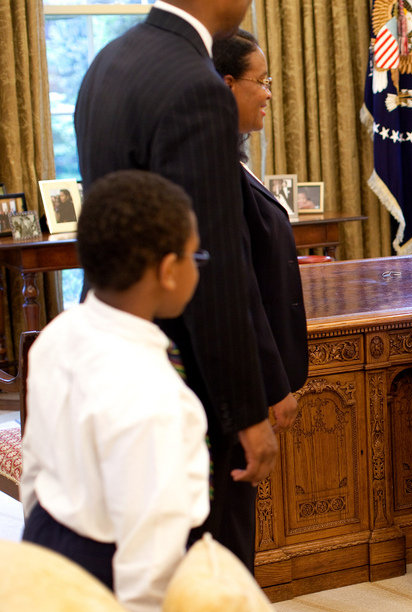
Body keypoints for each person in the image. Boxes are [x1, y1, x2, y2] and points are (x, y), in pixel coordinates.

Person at [74, 0, 294, 569]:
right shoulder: (195, 85)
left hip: (115, 351)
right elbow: (213, 263)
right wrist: (247, 410)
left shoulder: (109, 61)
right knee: (209, 562)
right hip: (186, 375)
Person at [20, 169, 210, 612]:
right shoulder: (152, 392)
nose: (195, 266)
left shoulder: (57, 335)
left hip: (46, 539)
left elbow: (35, 466)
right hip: (108, 572)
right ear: (167, 271)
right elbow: (151, 547)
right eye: (193, 256)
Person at [212, 29, 309, 458]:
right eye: (262, 81)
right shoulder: (214, 171)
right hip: (244, 386)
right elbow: (239, 289)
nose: (269, 94)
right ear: (228, 83)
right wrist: (272, 384)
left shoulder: (232, 158)